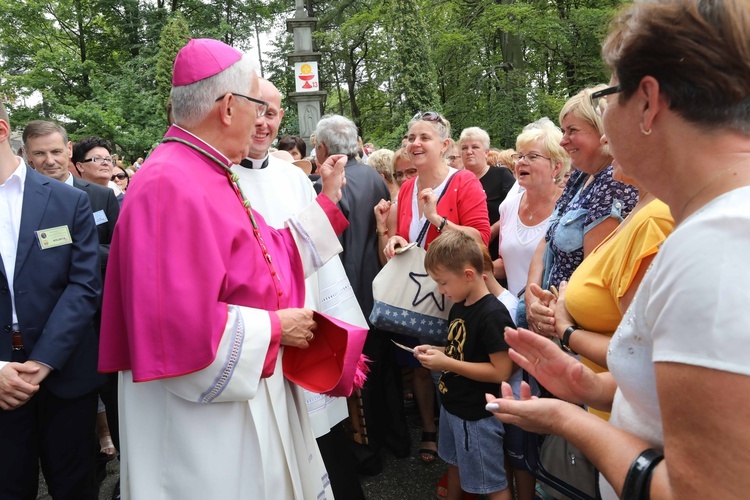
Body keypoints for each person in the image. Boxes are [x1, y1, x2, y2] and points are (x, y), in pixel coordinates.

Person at [486, 1, 750, 498]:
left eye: (609, 94)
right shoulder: (715, 226)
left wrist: (571, 420)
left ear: (648, 101)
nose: (602, 123)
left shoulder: (719, 242)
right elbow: (667, 398)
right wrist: (587, 387)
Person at [98, 38, 350, 500]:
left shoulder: (205, 169)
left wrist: (326, 208)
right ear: (229, 106)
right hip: (204, 422)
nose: (263, 121)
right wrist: (273, 327)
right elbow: (173, 325)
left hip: (241, 393)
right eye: (258, 106)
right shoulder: (169, 184)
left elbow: (265, 253)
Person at [231, 78, 367, 499]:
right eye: (255, 111)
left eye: (271, 113)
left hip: (307, 322)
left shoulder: (293, 178)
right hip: (259, 333)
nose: (262, 123)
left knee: (325, 438)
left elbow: (314, 253)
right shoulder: (222, 177)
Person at [0, 102, 104, 499]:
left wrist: (43, 360)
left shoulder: (67, 200)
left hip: (64, 373)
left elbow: (83, 285)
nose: (49, 159)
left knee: (74, 484)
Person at [379, 111, 491, 466]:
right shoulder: (408, 187)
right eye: (410, 137)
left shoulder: (464, 183)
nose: (414, 144)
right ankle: (430, 429)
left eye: (424, 137)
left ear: (444, 145)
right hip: (418, 293)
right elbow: (400, 234)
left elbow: (481, 242)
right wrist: (393, 239)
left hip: (457, 296)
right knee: (423, 364)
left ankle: (462, 443)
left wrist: (437, 220)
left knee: (456, 364)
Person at [314, 114, 411, 471]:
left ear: (322, 147)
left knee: (359, 377)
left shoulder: (330, 185)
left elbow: (327, 244)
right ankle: (398, 440)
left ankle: (367, 455)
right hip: (378, 286)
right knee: (384, 371)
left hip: (349, 290)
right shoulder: (373, 175)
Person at [524, 86, 638, 334]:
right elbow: (547, 238)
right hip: (552, 317)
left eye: (572, 131)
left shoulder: (614, 182)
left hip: (577, 328)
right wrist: (531, 298)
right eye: (563, 131)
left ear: (602, 130)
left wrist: (554, 313)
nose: (563, 140)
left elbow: (591, 272)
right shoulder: (580, 175)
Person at [416, 230, 514, 500]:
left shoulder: (493, 314)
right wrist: (437, 352)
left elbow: (501, 371)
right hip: (453, 407)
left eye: (443, 282)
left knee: (492, 484)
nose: (441, 290)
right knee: (454, 463)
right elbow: (461, 351)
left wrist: (446, 361)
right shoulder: (460, 304)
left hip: (477, 415)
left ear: (469, 275)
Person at [493, 119, 568, 299]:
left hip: (550, 315)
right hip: (512, 315)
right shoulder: (508, 207)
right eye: (520, 156)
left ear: (556, 167)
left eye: (532, 157)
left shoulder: (569, 208)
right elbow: (506, 265)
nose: (522, 162)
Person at [459, 127, 516, 260]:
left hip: (497, 250)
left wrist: (491, 232)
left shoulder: (501, 175)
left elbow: (515, 209)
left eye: (475, 147)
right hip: (464, 251)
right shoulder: (457, 180)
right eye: (464, 148)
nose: (469, 152)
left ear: (486, 152)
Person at [73, 136, 124, 204]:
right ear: (80, 167)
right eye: (97, 159)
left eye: (108, 159)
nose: (105, 163)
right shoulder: (74, 200)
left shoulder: (125, 201)